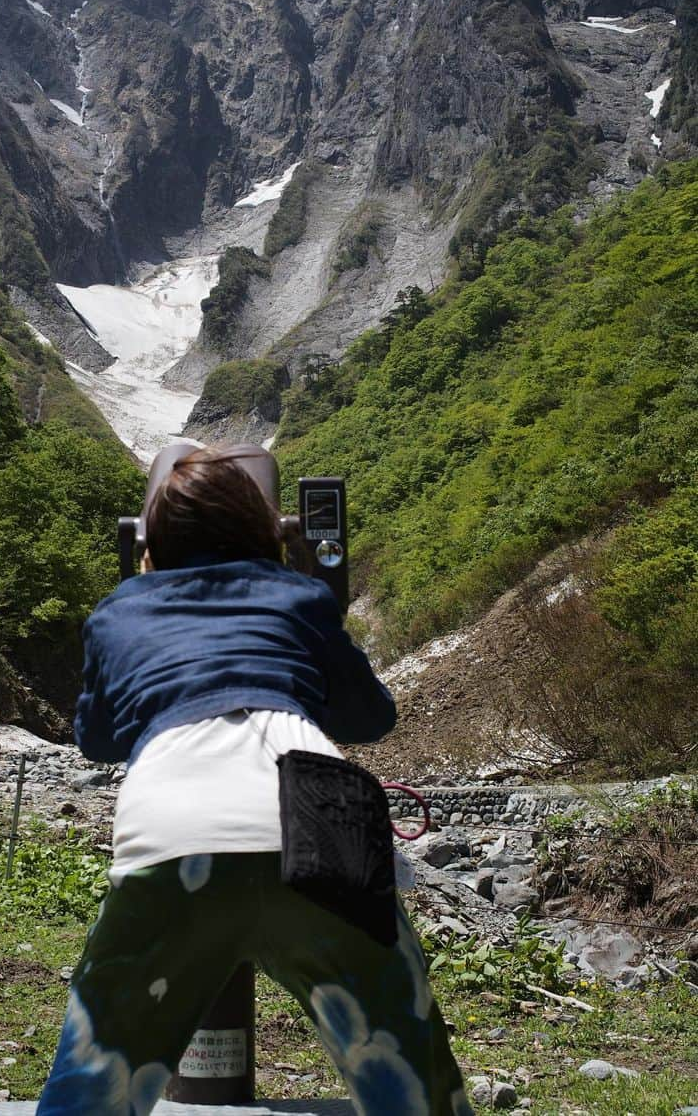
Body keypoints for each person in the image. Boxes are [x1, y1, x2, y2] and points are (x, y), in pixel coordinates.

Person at [36, 447, 471, 1116]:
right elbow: (371, 716)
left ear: (147, 544)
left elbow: (97, 738)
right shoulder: (298, 595)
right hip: (318, 808)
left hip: (178, 826)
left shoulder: (117, 613)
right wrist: (303, 589)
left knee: (90, 1089)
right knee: (416, 1091)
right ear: (270, 533)